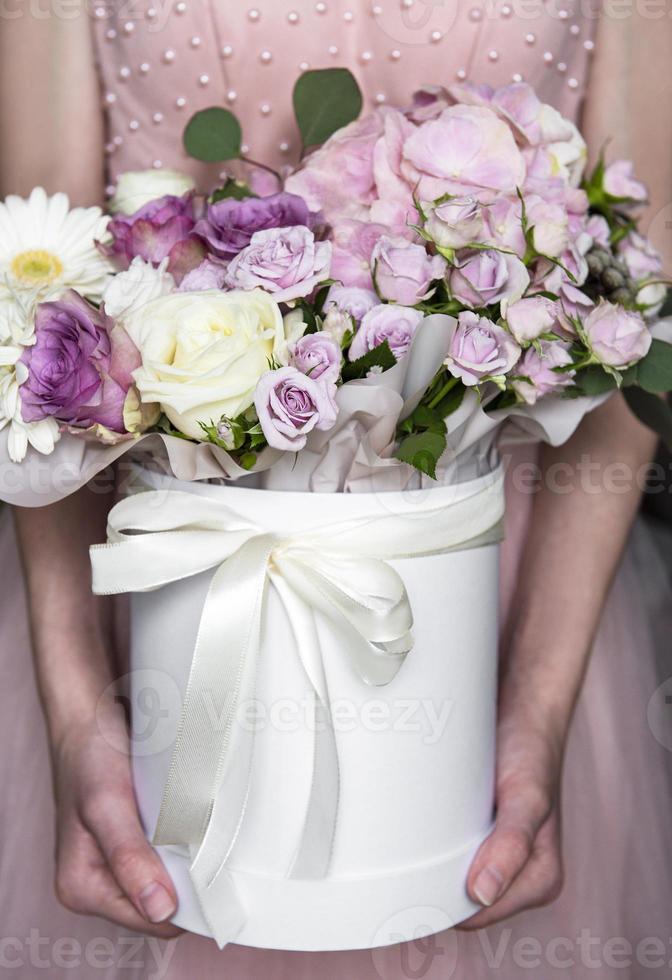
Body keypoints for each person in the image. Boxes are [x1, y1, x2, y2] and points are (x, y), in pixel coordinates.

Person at [1, 2, 671, 977]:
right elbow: (30, 278)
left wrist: (538, 705)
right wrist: (74, 713)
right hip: (137, 592)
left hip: (509, 597)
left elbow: (640, 271)